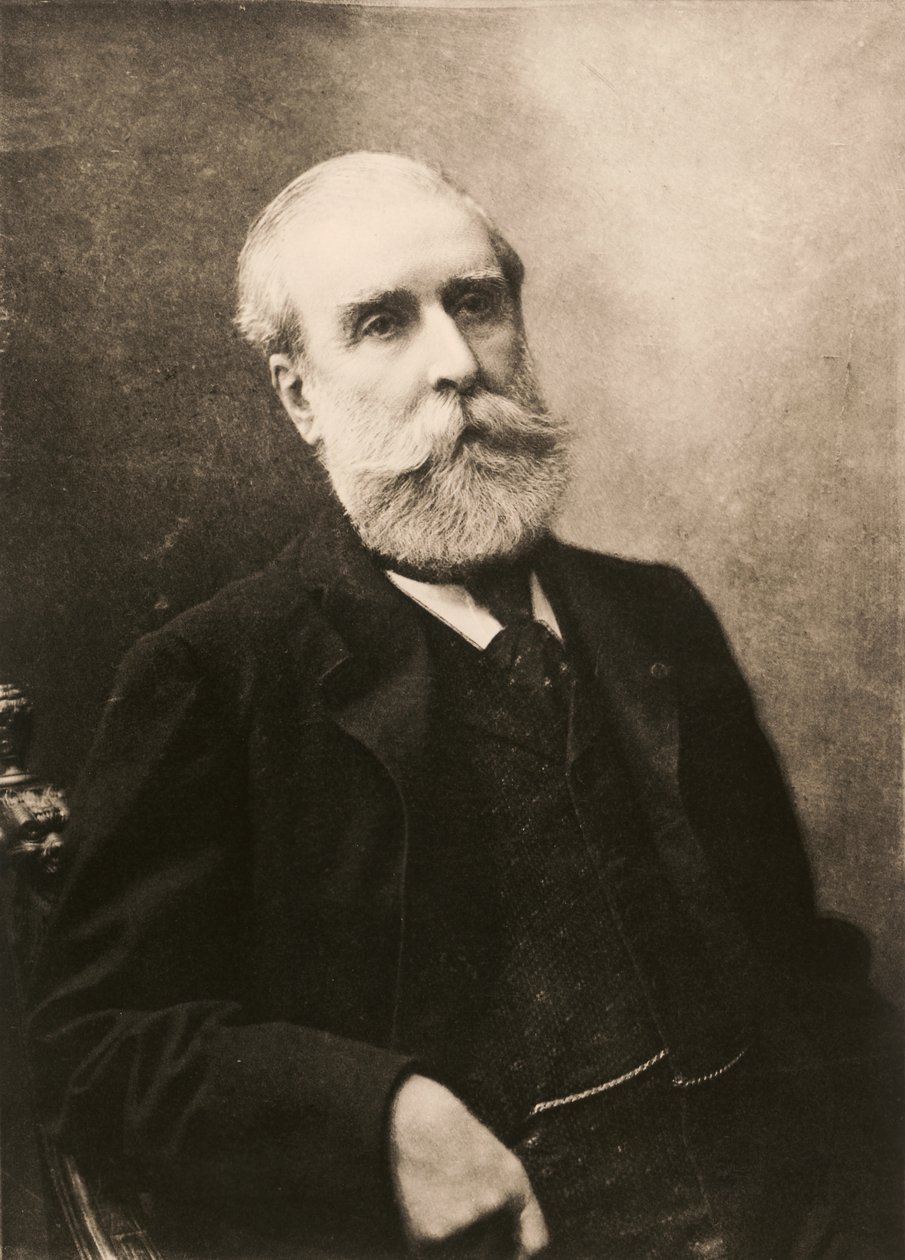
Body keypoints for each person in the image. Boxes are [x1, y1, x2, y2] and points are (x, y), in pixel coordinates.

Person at [28, 152, 901, 1260]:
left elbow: (797, 967)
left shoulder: (655, 617)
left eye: (475, 304)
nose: (454, 363)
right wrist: (379, 1116)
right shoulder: (212, 675)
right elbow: (93, 1047)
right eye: (381, 323)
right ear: (299, 396)